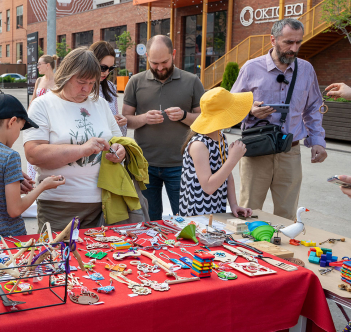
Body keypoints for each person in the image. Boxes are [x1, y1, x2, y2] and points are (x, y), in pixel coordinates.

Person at [231, 18, 327, 220]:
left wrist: (317, 141)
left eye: (298, 42)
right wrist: (250, 110)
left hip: (290, 151)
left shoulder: (307, 69)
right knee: (249, 210)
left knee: (287, 215)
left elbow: (313, 108)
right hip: (256, 151)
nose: (293, 48)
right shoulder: (250, 68)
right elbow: (231, 106)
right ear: (272, 40)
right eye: (288, 42)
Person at [24, 47, 126, 231]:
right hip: (58, 205)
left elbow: (119, 140)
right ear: (66, 75)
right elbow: (33, 154)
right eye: (81, 82)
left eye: (92, 83)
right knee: (59, 257)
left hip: (103, 203)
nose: (86, 89)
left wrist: (120, 150)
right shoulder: (42, 105)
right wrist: (82, 150)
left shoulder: (100, 104)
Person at [122, 35, 204, 221]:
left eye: (164, 62)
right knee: (149, 221)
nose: (159, 68)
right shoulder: (135, 81)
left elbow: (204, 119)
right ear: (147, 58)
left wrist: (184, 116)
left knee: (184, 220)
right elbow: (125, 119)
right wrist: (143, 118)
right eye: (154, 63)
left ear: (173, 54)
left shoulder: (191, 81)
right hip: (144, 164)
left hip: (181, 164)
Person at [0, 93, 65, 239]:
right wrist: (43, 186)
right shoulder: (10, 156)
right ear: (11, 122)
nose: (18, 135)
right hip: (10, 241)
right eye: (20, 128)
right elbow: (14, 210)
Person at [179, 87, 253, 217]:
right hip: (197, 214)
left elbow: (226, 174)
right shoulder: (199, 145)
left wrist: (234, 204)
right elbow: (208, 187)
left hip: (216, 209)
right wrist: (233, 159)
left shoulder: (220, 136)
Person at [26, 54, 57, 181]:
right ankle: (32, 181)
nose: (37, 66)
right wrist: (26, 117)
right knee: (33, 149)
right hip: (36, 121)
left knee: (47, 151)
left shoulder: (59, 80)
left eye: (40, 64)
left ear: (48, 65)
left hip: (52, 121)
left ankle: (47, 181)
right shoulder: (39, 80)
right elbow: (33, 101)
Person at [88, 41, 128, 137]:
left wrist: (122, 121)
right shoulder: (81, 87)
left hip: (110, 144)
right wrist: (108, 120)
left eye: (110, 68)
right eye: (103, 68)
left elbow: (115, 116)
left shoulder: (110, 87)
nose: (106, 72)